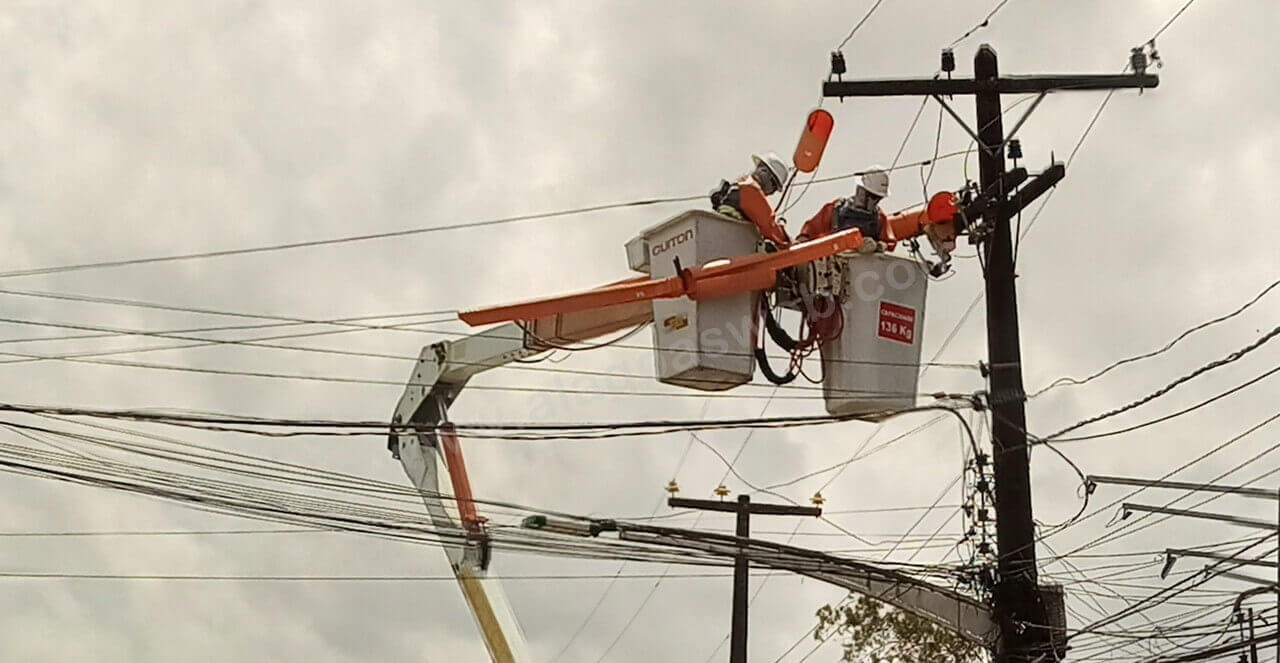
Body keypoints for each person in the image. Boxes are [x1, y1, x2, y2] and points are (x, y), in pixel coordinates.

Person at [796, 166, 890, 253]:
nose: (875, 202)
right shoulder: (835, 210)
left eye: (879, 198)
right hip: (833, 265)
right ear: (860, 190)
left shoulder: (879, 218)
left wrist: (878, 246)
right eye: (873, 197)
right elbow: (809, 231)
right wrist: (800, 243)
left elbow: (889, 242)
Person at [709, 152, 791, 246]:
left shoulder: (740, 185)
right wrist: (788, 240)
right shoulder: (751, 189)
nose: (771, 192)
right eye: (773, 187)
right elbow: (769, 228)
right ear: (766, 174)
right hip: (731, 239)